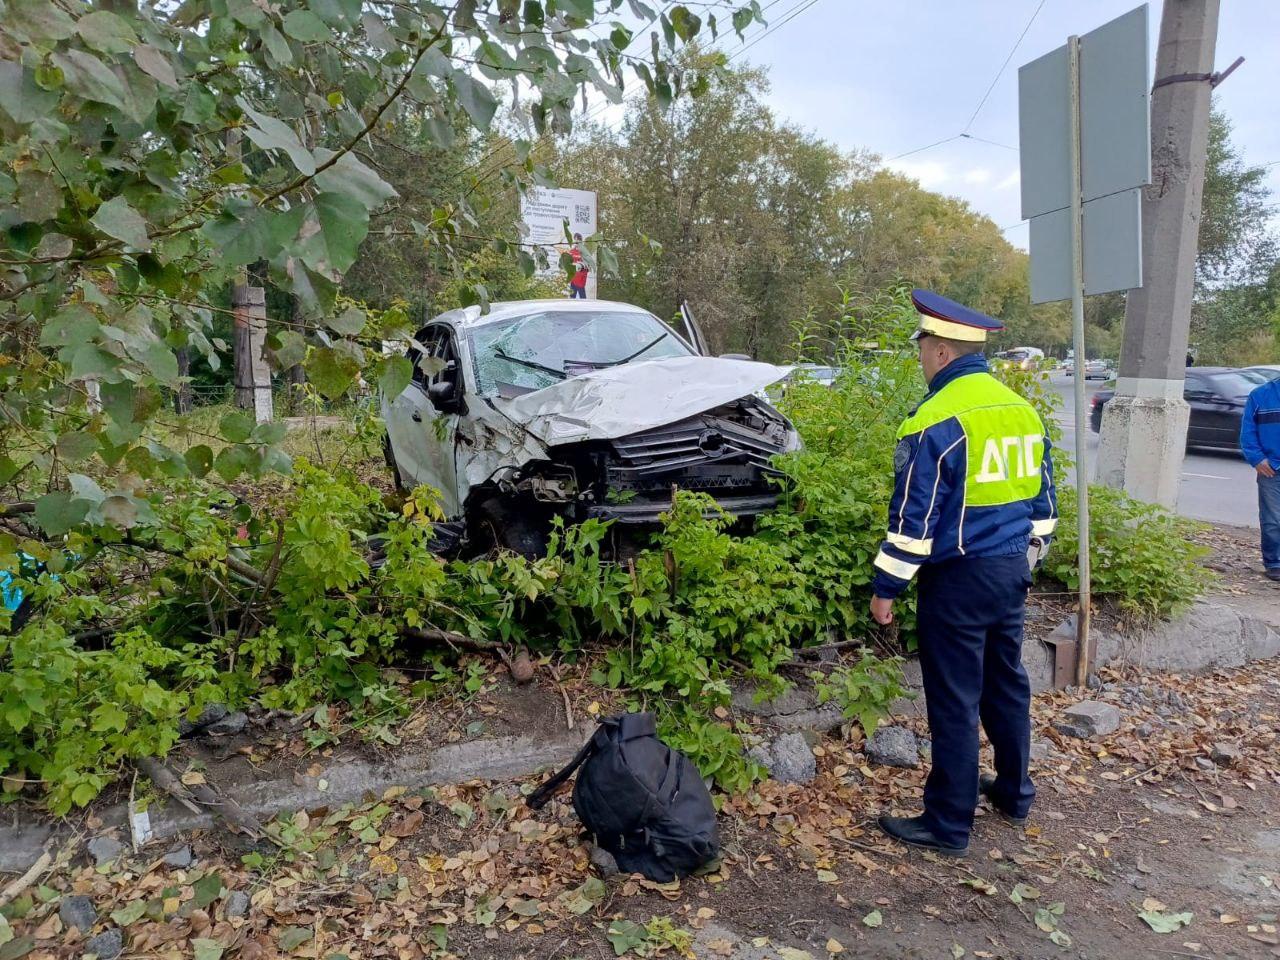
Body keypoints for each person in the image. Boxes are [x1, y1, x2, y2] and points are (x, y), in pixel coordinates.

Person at [870, 288, 1057, 858]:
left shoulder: (934, 418)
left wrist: (887, 587)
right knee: (1006, 684)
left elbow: (913, 518)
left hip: (957, 580)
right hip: (1009, 572)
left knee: (954, 698)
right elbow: (1044, 506)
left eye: (923, 346)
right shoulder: (1021, 411)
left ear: (943, 352)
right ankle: (1013, 792)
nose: (921, 357)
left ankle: (948, 824)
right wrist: (1024, 563)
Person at [1240, 374, 1280, 582]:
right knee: (1273, 519)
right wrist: (1257, 459)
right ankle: (1274, 563)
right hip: (1272, 468)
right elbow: (1247, 432)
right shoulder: (1260, 396)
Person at [567, 233, 589, 299]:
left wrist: (580, 266)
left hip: (580, 280)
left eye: (578, 240)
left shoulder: (584, 252)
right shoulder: (571, 251)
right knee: (572, 299)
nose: (576, 242)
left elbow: (587, 267)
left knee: (583, 299)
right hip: (573, 279)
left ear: (581, 241)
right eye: (575, 240)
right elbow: (568, 264)